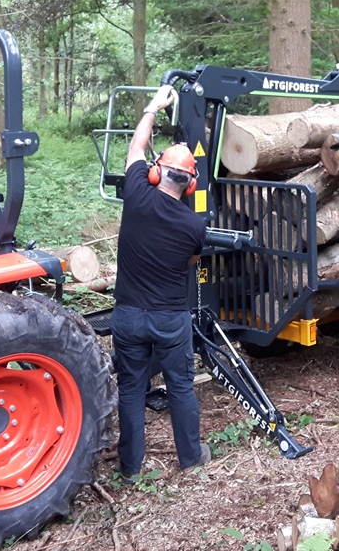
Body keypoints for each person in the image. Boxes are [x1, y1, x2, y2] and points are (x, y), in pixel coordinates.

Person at [111, 84, 210, 479]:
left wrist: (153, 107)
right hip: (170, 319)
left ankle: (130, 467)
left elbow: (136, 148)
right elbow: (190, 261)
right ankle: (190, 457)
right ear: (190, 184)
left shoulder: (136, 193)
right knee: (180, 386)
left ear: (156, 173)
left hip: (128, 316)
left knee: (131, 389)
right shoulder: (194, 226)